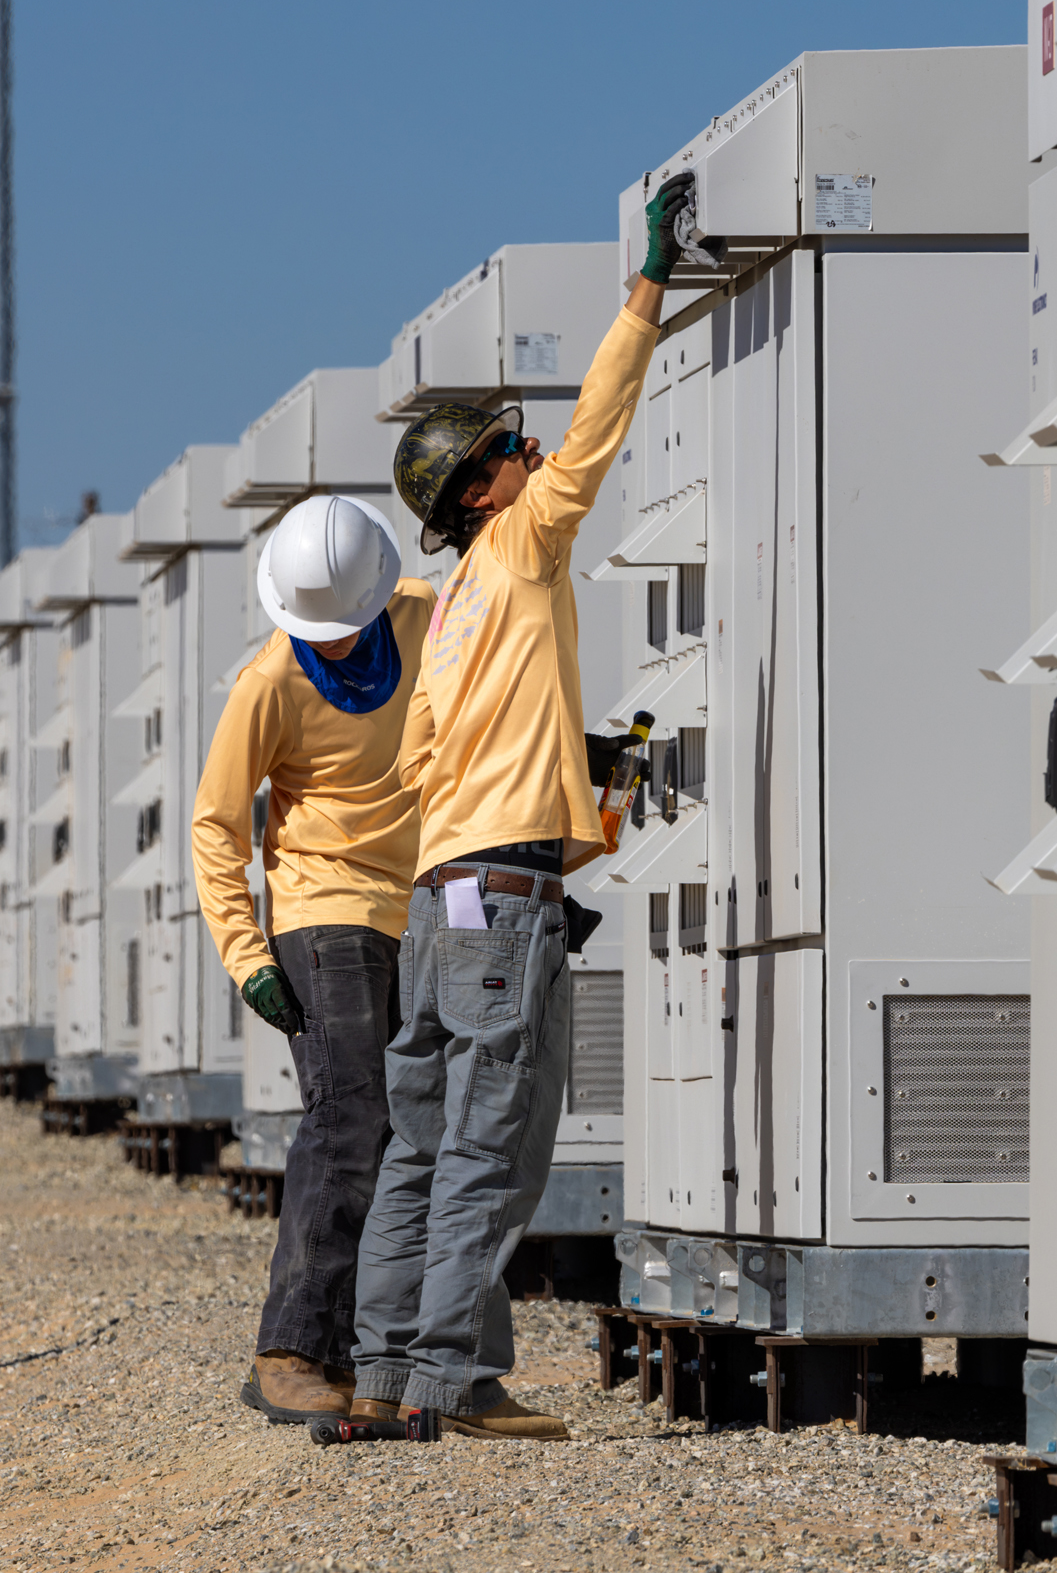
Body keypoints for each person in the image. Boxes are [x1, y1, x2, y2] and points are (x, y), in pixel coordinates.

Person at [343, 172, 691, 1442]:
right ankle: (455, 1382)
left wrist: (561, 761)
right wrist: (649, 286)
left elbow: (426, 760)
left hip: (440, 903)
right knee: (494, 1144)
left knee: (421, 1148)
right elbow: (600, 421)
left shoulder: (451, 618)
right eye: (503, 445)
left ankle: (383, 1372)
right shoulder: (528, 538)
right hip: (501, 903)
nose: (527, 447)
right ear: (476, 492)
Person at [189, 492, 435, 1423]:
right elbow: (216, 824)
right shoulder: (266, 683)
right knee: (347, 1115)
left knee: (417, 1124)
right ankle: (291, 1348)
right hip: (320, 908)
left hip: (417, 904)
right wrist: (245, 953)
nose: (330, 642)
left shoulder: (426, 616)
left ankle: (384, 1354)